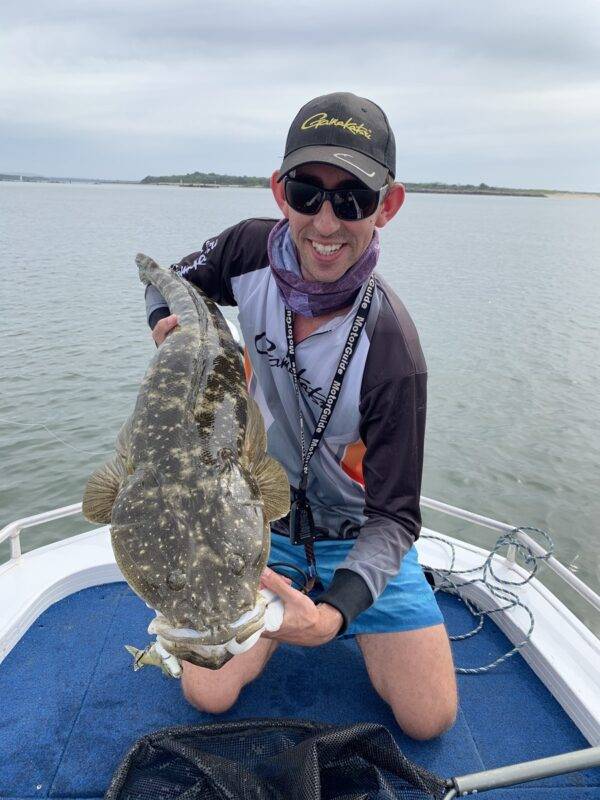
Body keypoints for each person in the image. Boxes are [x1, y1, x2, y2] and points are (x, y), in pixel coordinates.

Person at [146, 92, 457, 740]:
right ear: (278, 190)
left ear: (388, 206)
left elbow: (396, 515)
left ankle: (339, 609)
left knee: (430, 719)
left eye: (353, 200)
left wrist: (336, 615)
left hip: (355, 531)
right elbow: (164, 279)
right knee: (208, 691)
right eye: (306, 192)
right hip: (263, 524)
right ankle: (272, 608)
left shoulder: (393, 348)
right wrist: (175, 324)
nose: (324, 222)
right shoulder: (247, 249)